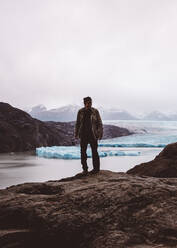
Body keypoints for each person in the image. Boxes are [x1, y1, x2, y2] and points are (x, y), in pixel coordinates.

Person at [75, 97, 103, 174]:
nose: (89, 104)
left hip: (93, 135)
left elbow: (99, 123)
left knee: (95, 152)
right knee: (83, 152)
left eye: (90, 102)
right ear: (84, 103)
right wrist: (76, 134)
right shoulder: (80, 112)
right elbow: (77, 123)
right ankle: (85, 169)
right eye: (87, 103)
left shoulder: (95, 111)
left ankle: (96, 169)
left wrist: (99, 133)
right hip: (83, 135)